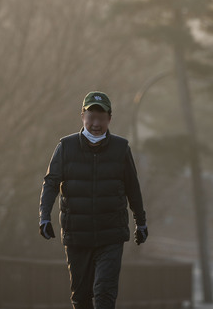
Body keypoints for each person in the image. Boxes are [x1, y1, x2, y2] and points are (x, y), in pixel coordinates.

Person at [38, 91, 148, 309]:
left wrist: (141, 222)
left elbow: (132, 189)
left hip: (111, 236)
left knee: (104, 293)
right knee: (81, 297)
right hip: (77, 236)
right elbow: (51, 183)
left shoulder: (120, 149)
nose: (96, 123)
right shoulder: (66, 147)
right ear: (83, 117)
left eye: (101, 118)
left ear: (109, 118)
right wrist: (44, 217)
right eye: (91, 117)